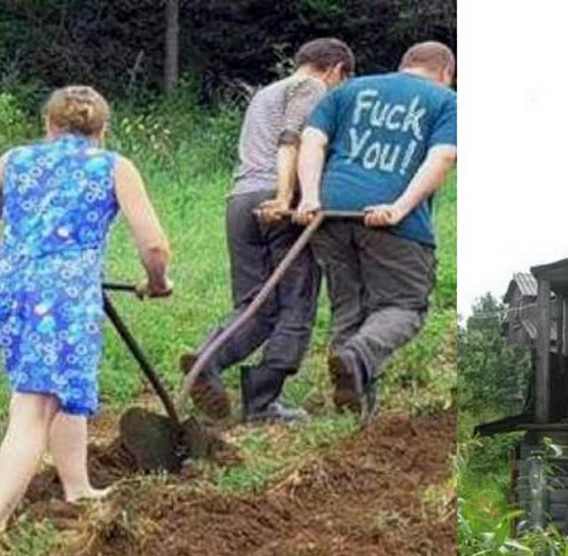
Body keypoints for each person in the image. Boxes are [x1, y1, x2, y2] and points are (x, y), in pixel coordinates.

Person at [0, 85, 173, 540]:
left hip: (4, 288)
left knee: (60, 385)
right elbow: (154, 247)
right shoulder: (113, 166)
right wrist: (157, 284)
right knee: (34, 406)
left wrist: (16, 268)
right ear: (103, 129)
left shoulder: (14, 159)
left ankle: (77, 487)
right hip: (59, 298)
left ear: (48, 125)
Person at [182, 38, 356, 423]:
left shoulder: (266, 93)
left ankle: (207, 361)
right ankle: (262, 402)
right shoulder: (311, 88)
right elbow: (291, 141)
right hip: (276, 203)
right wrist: (285, 197)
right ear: (336, 70)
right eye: (343, 81)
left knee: (255, 305)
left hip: (240, 200)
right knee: (297, 303)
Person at [294, 41, 458, 421]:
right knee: (403, 306)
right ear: (446, 73)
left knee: (348, 305)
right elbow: (445, 155)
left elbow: (313, 140)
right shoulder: (448, 101)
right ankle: (355, 360)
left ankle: (354, 410)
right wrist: (399, 208)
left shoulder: (350, 90)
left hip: (330, 213)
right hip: (389, 221)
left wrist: (311, 197)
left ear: (403, 66)